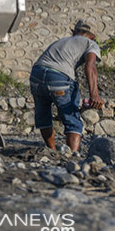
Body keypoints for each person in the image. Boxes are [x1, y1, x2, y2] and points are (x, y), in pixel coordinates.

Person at [30, 20, 105, 152]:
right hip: (58, 77)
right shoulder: (90, 43)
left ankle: (51, 151)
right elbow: (91, 66)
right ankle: (73, 156)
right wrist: (94, 95)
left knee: (43, 116)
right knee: (72, 120)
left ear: (74, 32)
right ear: (92, 36)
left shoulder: (61, 41)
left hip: (36, 75)